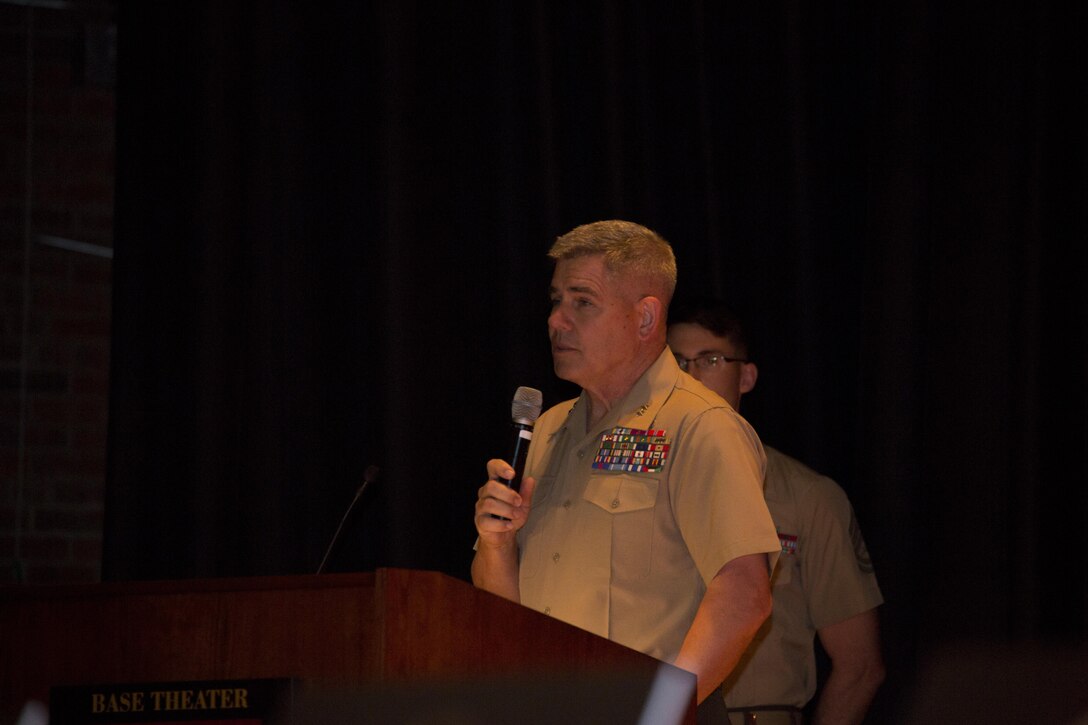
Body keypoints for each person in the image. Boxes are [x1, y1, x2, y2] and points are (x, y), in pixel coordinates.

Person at [472, 220, 782, 712]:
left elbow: (744, 595)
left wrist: (660, 714)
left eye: (582, 302)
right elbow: (501, 611)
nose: (556, 320)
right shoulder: (546, 430)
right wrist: (496, 544)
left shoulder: (700, 426)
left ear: (645, 318)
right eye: (556, 300)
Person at [667, 298, 886, 725]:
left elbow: (860, 667)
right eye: (675, 362)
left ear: (746, 376)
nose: (689, 377)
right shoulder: (624, 487)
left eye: (710, 360)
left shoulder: (807, 497)